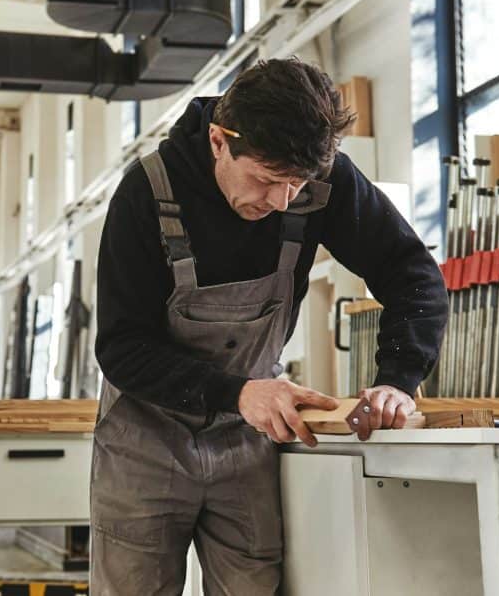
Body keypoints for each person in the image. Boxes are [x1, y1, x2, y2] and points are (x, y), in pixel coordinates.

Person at [90, 57, 449, 594]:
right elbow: (121, 346)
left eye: (297, 185)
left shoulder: (321, 182)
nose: (283, 201)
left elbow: (413, 273)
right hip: (145, 438)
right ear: (218, 141)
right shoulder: (146, 192)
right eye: (266, 180)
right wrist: (239, 393)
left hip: (248, 440)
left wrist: (398, 377)